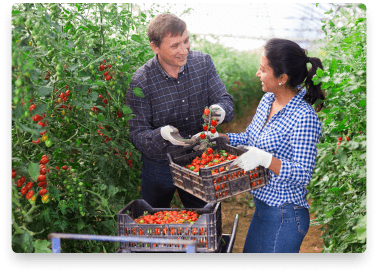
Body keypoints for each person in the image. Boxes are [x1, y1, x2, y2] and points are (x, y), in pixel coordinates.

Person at [219, 38, 325, 253]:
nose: (257, 74)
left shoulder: (304, 117)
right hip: (262, 208)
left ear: (282, 78)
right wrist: (222, 139)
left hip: (285, 215)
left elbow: (303, 174)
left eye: (262, 69)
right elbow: (251, 137)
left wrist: (266, 159)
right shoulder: (268, 100)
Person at [126, 13, 235, 209]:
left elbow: (225, 100)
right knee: (153, 219)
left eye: (186, 41)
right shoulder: (141, 81)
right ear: (155, 47)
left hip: (200, 160)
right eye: (175, 45)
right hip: (159, 167)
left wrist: (221, 111)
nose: (184, 50)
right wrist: (161, 135)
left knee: (205, 218)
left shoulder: (203, 63)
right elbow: (137, 134)